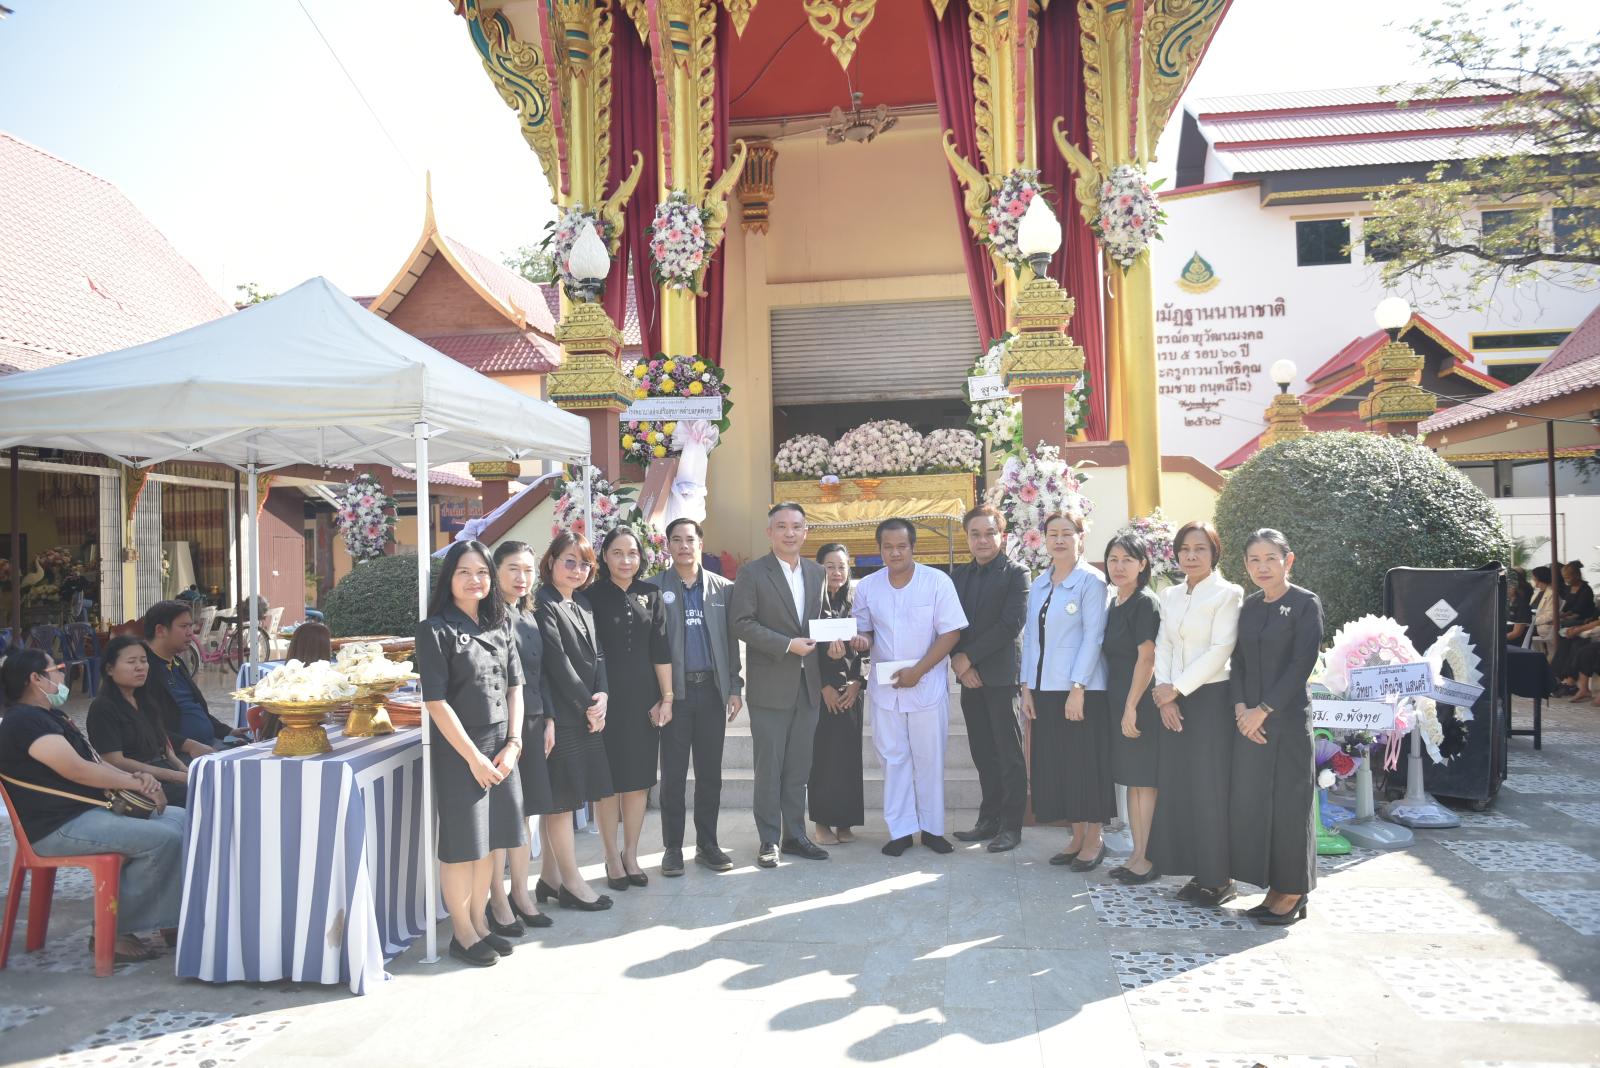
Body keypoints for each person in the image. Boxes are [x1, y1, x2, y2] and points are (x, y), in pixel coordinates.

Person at [0, 649, 186, 964]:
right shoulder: (24, 722)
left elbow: (94, 762)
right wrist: (135, 784)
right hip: (58, 826)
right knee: (163, 838)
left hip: (85, 813)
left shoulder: (51, 717)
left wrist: (137, 777)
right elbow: (76, 770)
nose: (63, 675)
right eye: (57, 668)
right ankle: (114, 931)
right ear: (36, 678)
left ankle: (170, 919)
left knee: (183, 819)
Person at [415, 540, 527, 967]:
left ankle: (479, 923)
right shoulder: (435, 630)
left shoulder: (500, 624)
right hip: (461, 750)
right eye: (464, 572)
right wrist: (473, 758)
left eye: (481, 572)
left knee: (491, 843)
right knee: (463, 845)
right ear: (449, 578)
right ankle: (461, 933)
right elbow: (436, 702)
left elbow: (516, 688)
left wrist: (514, 744)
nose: (474, 580)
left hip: (502, 748)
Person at [852, 518, 968, 857]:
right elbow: (864, 630)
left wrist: (918, 671)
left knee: (929, 758)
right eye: (888, 547)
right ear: (879, 550)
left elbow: (951, 633)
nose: (895, 553)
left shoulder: (937, 582)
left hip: (926, 685)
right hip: (886, 689)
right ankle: (900, 831)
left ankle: (932, 830)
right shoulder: (868, 586)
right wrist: (861, 640)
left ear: (913, 547)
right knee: (893, 759)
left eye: (901, 546)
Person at [1228, 529, 1323, 926]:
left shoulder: (1305, 603)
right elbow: (1237, 662)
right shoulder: (1249, 606)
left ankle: (1295, 891)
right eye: (1254, 559)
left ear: (1289, 560)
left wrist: (1263, 710)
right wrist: (1241, 710)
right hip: (1249, 723)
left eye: (1271, 558)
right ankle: (1274, 888)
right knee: (1259, 806)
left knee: (1289, 807)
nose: (1262, 566)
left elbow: (1302, 664)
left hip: (1286, 723)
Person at [1148, 520, 1244, 908]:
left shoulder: (1228, 593)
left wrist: (1178, 688)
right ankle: (1197, 871)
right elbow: (1164, 644)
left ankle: (1220, 878)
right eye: (1185, 549)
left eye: (1200, 548)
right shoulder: (1170, 595)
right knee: (1181, 787)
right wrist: (1165, 694)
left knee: (1209, 788)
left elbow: (1221, 649)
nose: (1191, 555)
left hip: (1211, 700)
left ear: (1214, 552)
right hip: (1173, 699)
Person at [729, 502, 829, 868]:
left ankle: (795, 835)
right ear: (769, 532)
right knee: (769, 768)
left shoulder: (817, 572)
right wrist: (787, 645)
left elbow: (820, 619)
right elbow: (741, 622)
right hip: (771, 685)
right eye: (782, 526)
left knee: (799, 768)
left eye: (797, 526)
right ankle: (769, 839)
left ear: (806, 532)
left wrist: (834, 641)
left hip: (808, 685)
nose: (790, 533)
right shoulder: (752, 573)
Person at [651, 518, 743, 875]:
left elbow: (731, 642)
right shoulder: (655, 588)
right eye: (676, 540)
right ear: (668, 546)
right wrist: (658, 696)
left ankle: (708, 844)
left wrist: (734, 687)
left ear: (700, 544)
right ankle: (672, 848)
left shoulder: (723, 589)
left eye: (690, 539)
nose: (684, 546)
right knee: (673, 776)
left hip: (711, 692)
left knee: (710, 775)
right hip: (674, 695)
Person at [1021, 512, 1111, 870]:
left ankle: (1095, 838)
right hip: (1045, 688)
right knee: (1061, 766)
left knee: (1085, 764)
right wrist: (1026, 687)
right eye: (1052, 534)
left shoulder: (1092, 581)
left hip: (1081, 690)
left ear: (1081, 537)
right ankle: (1076, 836)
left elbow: (1094, 636)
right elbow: (1031, 638)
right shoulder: (1040, 583)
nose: (1059, 540)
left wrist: (1078, 687)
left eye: (1066, 533)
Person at [586, 528, 673, 891]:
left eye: (632, 553)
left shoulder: (651, 594)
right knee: (607, 785)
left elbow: (661, 650)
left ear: (642, 557)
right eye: (617, 553)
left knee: (637, 783)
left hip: (643, 701)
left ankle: (631, 854)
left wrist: (666, 697)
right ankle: (610, 856)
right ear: (604, 556)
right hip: (603, 701)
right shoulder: (589, 596)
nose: (625, 560)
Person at [533, 532, 614, 911]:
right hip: (562, 715)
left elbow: (598, 655)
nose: (577, 570)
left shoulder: (582, 602)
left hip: (586, 712)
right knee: (561, 803)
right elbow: (557, 662)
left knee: (568, 799)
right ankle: (571, 883)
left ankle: (549, 879)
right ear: (551, 562)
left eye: (584, 564)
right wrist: (588, 706)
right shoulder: (543, 603)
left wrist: (603, 696)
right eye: (569, 561)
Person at [486, 541, 557, 937]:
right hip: (500, 726)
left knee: (526, 812)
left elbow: (541, 671)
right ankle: (497, 898)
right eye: (513, 568)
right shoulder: (488, 615)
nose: (522, 577)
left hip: (532, 719)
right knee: (504, 814)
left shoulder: (528, 613)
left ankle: (521, 892)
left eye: (528, 570)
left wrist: (549, 718)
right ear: (495, 570)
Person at [949, 504, 1030, 853]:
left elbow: (1010, 624)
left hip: (1001, 676)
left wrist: (968, 657)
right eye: (975, 534)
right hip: (970, 677)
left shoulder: (1016, 574)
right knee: (982, 752)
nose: (982, 540)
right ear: (967, 537)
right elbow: (949, 624)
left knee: (1008, 753)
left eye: (989, 533)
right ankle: (989, 819)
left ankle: (1011, 826)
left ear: (1002, 535)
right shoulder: (958, 577)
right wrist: (961, 664)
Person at [1103, 532, 1162, 884]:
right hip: (1119, 701)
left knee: (1144, 783)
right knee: (1133, 782)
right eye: (1113, 559)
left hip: (1139, 703)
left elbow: (1147, 658)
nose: (1119, 566)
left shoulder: (1144, 603)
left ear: (1142, 564)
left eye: (1127, 559)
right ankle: (1137, 854)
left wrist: (1131, 706)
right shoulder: (1116, 602)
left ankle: (1147, 858)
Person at [86, 636, 189, 807]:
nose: (140, 667)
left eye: (143, 660)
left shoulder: (144, 699)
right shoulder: (103, 708)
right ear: (110, 669)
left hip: (164, 769)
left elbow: (162, 739)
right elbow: (114, 761)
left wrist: (180, 767)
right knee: (205, 792)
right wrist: (174, 776)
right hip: (139, 783)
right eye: (131, 662)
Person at [808, 543, 866, 845]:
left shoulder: (857, 604)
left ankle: (845, 823)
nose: (836, 572)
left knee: (849, 759)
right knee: (823, 758)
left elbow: (870, 646)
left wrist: (857, 683)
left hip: (851, 692)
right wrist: (823, 687)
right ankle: (821, 823)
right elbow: (805, 652)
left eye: (842, 566)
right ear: (819, 569)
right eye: (829, 566)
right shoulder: (810, 604)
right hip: (822, 692)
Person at [142, 600, 247, 758]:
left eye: (190, 626)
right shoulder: (143, 670)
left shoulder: (176, 663)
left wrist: (228, 731)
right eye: (184, 626)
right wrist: (188, 745)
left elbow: (196, 709)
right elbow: (146, 726)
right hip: (178, 755)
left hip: (211, 743)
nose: (190, 633)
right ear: (160, 630)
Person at [1505, 568, 1532, 645]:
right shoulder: (1507, 602)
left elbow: (1516, 633)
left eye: (1509, 585)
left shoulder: (1522, 605)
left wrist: (1497, 640)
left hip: (1512, 644)